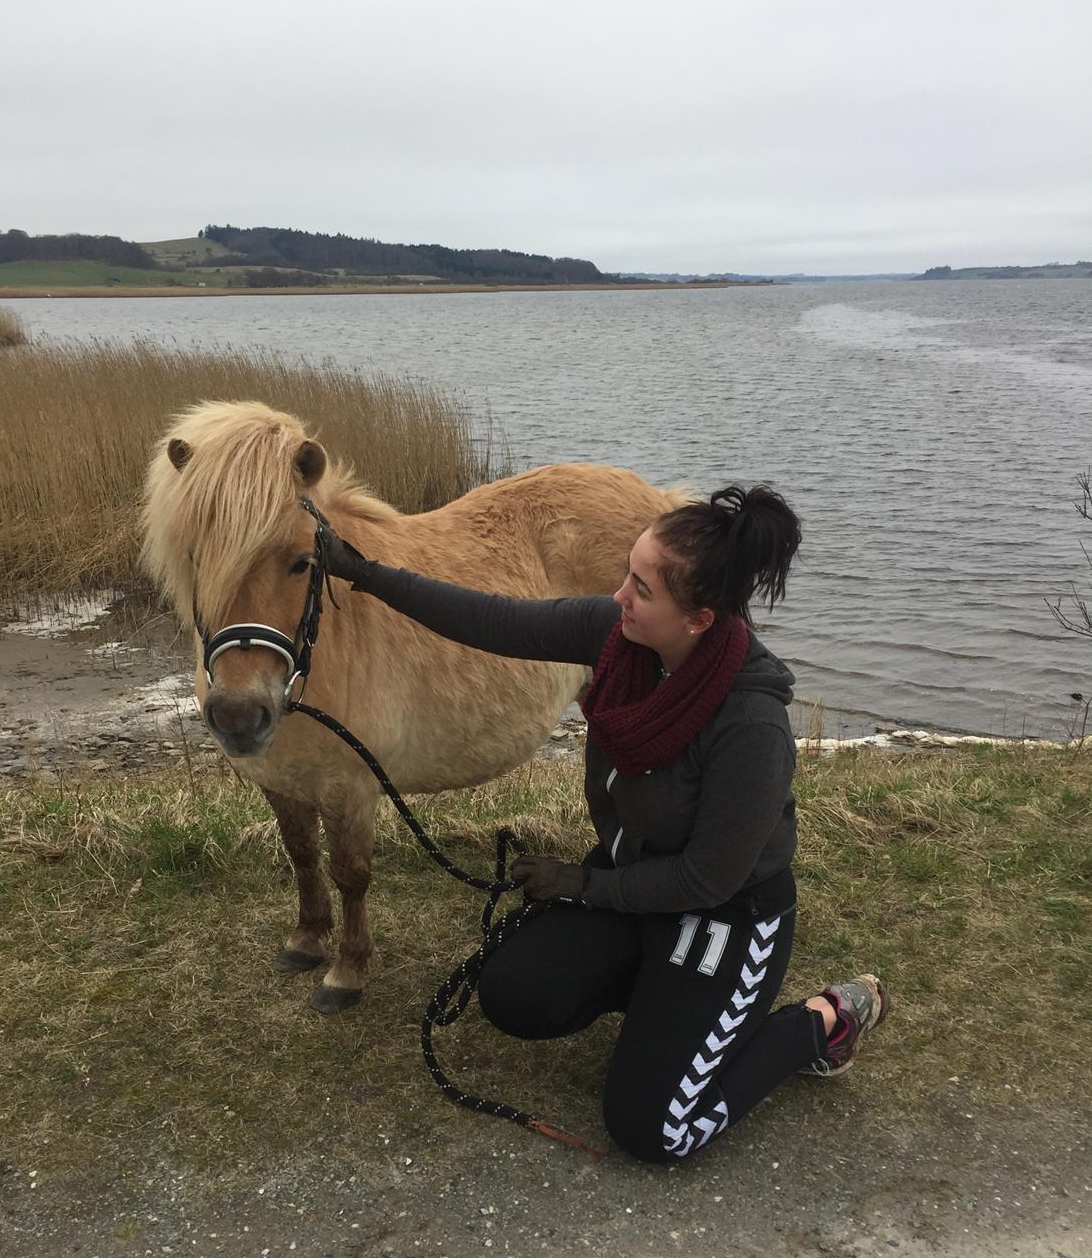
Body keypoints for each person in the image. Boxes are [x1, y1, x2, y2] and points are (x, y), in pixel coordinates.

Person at [322, 485, 887, 1164]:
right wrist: (367, 573)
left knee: (655, 1130)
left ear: (700, 619)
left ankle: (822, 1022)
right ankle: (667, 1006)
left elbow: (705, 877)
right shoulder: (618, 641)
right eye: (627, 571)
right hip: (633, 884)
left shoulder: (751, 726)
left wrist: (580, 885)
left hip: (725, 915)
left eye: (642, 589)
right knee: (514, 995)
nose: (620, 595)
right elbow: (492, 621)